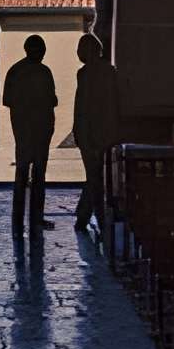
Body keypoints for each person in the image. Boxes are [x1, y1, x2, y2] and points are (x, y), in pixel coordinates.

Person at [2, 33, 57, 237]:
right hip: (40, 129)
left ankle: (18, 219)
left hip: (23, 130)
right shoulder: (44, 72)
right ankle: (36, 217)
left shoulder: (15, 71)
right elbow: (53, 100)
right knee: (39, 175)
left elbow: (7, 99)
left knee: (22, 174)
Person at [72, 30, 121, 236]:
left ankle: (89, 216)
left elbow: (81, 106)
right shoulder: (110, 72)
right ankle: (88, 217)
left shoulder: (84, 74)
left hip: (88, 132)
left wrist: (79, 131)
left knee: (93, 176)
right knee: (97, 176)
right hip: (105, 131)